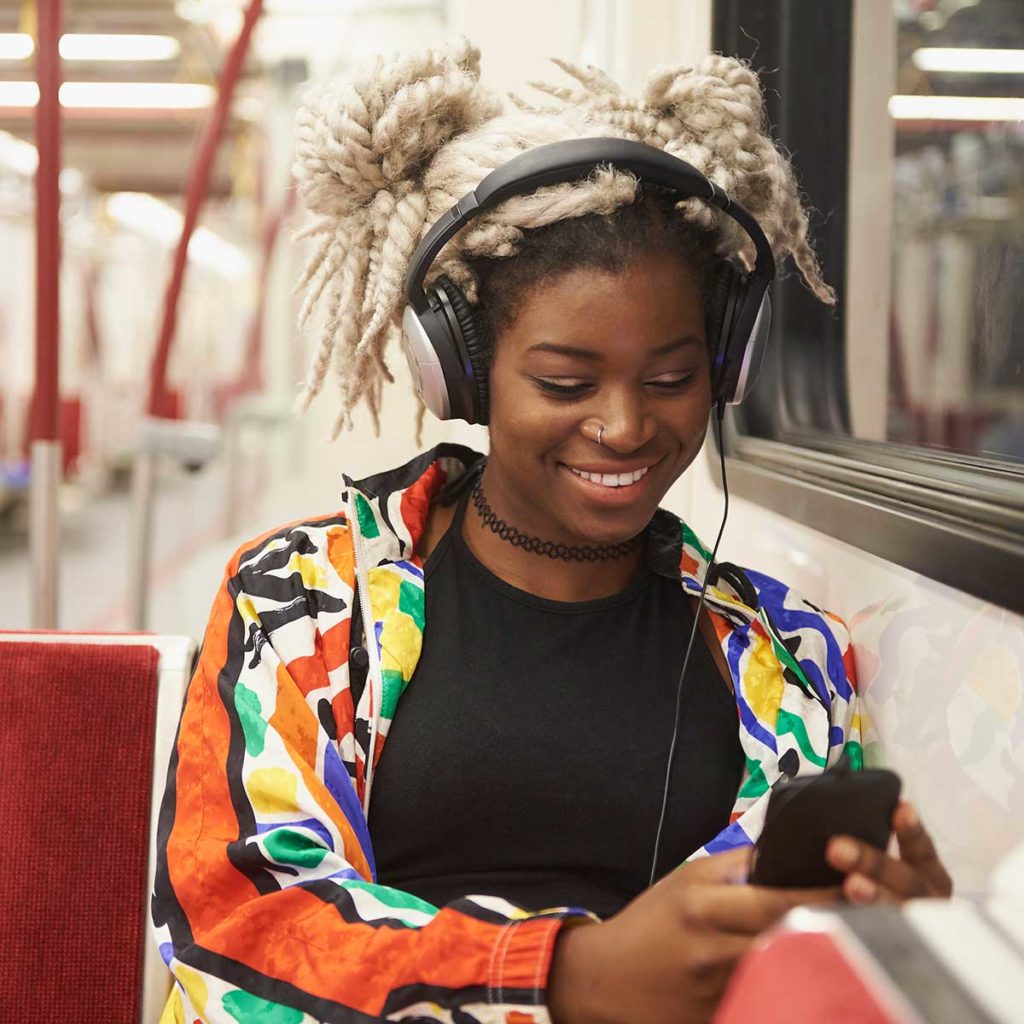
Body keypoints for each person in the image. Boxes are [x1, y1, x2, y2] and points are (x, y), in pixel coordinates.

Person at [152, 41, 952, 1024]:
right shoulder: (295, 601)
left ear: (727, 364)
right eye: (565, 384)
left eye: (670, 379)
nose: (623, 425)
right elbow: (241, 925)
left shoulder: (789, 660)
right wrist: (564, 979)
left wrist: (883, 942)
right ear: (464, 372)